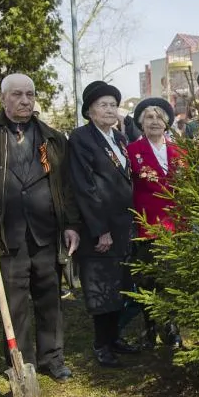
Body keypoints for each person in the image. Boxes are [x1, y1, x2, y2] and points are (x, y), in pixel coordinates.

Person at [0, 73, 81, 383]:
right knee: (14, 301)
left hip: (46, 233)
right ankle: (21, 362)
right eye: (17, 94)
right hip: (5, 236)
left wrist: (71, 224)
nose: (25, 100)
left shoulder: (53, 138)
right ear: (3, 98)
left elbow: (66, 186)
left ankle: (52, 358)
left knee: (49, 297)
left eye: (30, 94)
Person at [67, 81, 140, 367]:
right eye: (103, 105)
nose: (110, 110)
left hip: (123, 226)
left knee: (118, 286)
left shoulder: (119, 138)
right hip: (100, 229)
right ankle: (101, 344)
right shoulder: (82, 138)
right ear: (89, 111)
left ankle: (114, 338)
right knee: (101, 288)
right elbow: (84, 187)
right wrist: (100, 230)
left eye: (113, 104)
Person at [126, 97, 184, 348]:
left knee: (171, 280)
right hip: (146, 225)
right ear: (141, 122)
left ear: (168, 122)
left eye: (159, 117)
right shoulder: (132, 152)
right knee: (148, 280)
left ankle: (171, 328)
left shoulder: (180, 151)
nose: (154, 122)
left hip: (175, 226)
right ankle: (149, 328)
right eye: (149, 117)